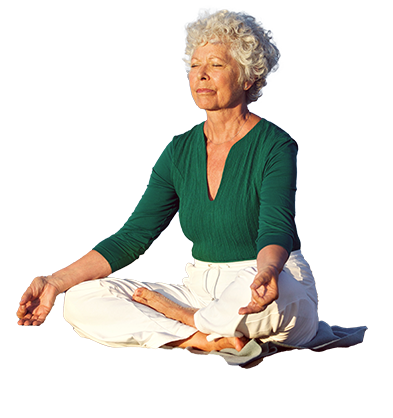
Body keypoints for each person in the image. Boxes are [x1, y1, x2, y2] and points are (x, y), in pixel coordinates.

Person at [17, 9, 319, 353]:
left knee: (285, 297)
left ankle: (186, 319)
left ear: (248, 77)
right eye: (194, 65)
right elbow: (134, 236)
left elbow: (276, 227)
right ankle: (203, 336)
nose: (201, 75)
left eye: (216, 65)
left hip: (265, 278)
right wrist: (54, 282)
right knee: (81, 299)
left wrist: (267, 271)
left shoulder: (275, 145)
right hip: (203, 288)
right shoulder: (179, 151)